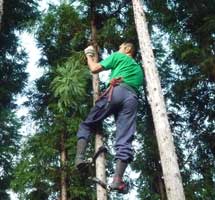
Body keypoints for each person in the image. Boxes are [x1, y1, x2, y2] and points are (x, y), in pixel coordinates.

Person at [75, 42, 144, 192]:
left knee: (87, 125)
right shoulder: (139, 69)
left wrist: (89, 55)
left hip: (116, 92)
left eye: (120, 47)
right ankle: (117, 180)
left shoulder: (119, 56)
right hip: (132, 99)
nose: (118, 49)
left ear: (127, 49)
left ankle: (79, 158)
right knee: (125, 139)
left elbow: (94, 68)